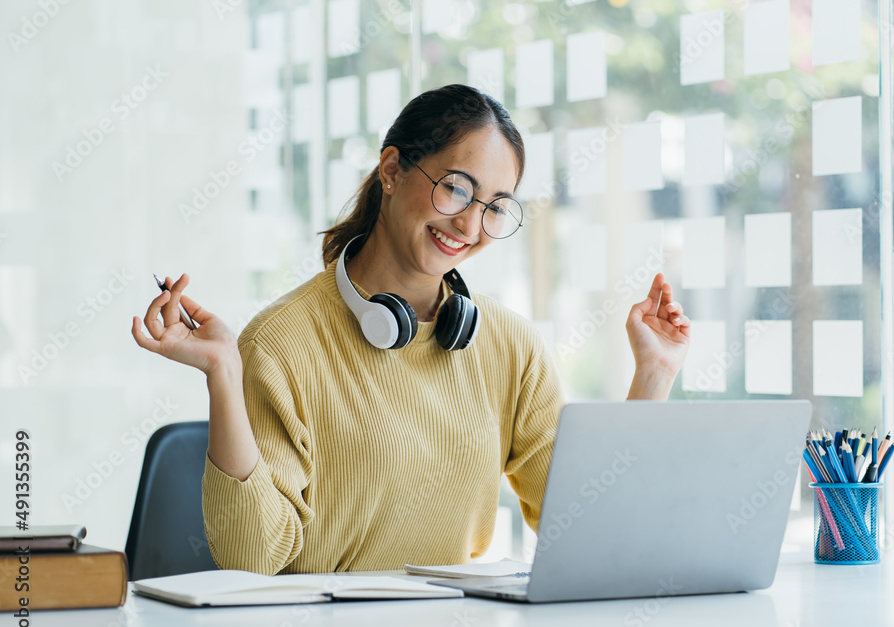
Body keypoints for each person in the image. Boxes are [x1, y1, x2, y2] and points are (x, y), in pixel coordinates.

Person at [130, 84, 691, 575]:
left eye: (495, 207)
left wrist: (653, 378)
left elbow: (588, 528)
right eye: (456, 189)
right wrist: (225, 372)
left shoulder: (510, 346)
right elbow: (251, 559)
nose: (470, 225)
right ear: (393, 170)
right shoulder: (281, 342)